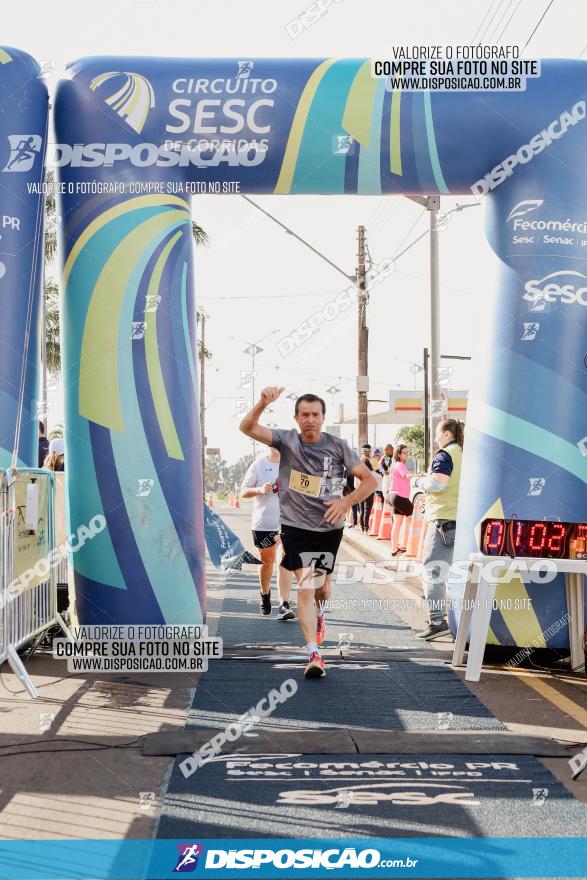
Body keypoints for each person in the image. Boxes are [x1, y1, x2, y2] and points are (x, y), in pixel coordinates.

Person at [240, 387, 377, 679]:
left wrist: (346, 501)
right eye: (305, 415)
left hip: (328, 528)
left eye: (315, 414)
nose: (310, 420)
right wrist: (263, 403)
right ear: (297, 418)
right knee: (305, 586)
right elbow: (247, 427)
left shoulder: (338, 446)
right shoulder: (286, 440)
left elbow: (370, 479)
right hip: (295, 527)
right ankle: (314, 654)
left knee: (322, 590)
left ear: (323, 418)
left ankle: (320, 614)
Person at [413, 419, 464, 641]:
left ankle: (437, 621)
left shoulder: (445, 455)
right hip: (462, 519)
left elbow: (438, 483)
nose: (435, 439)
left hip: (443, 521)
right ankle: (456, 622)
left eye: (437, 434)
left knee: (433, 572)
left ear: (446, 434)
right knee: (455, 575)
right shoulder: (464, 452)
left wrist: (419, 482)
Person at [240, 447, 295, 620]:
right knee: (267, 561)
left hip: (288, 521)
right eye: (271, 441)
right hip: (264, 522)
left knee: (285, 559)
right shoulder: (259, 464)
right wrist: (260, 489)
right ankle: (265, 594)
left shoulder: (293, 463)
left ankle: (284, 604)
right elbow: (243, 491)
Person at [387, 444, 414, 556]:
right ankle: (406, 545)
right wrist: (423, 475)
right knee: (415, 520)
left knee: (397, 524)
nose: (406, 455)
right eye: (404, 453)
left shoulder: (394, 465)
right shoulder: (400, 465)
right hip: (400, 497)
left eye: (407, 453)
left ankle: (394, 550)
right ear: (398, 454)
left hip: (392, 496)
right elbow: (408, 476)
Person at [358, 444, 375, 532]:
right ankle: (366, 528)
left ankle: (362, 527)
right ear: (369, 451)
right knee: (367, 509)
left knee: (362, 509)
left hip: (360, 489)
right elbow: (375, 475)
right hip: (369, 489)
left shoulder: (358, 461)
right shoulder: (371, 461)